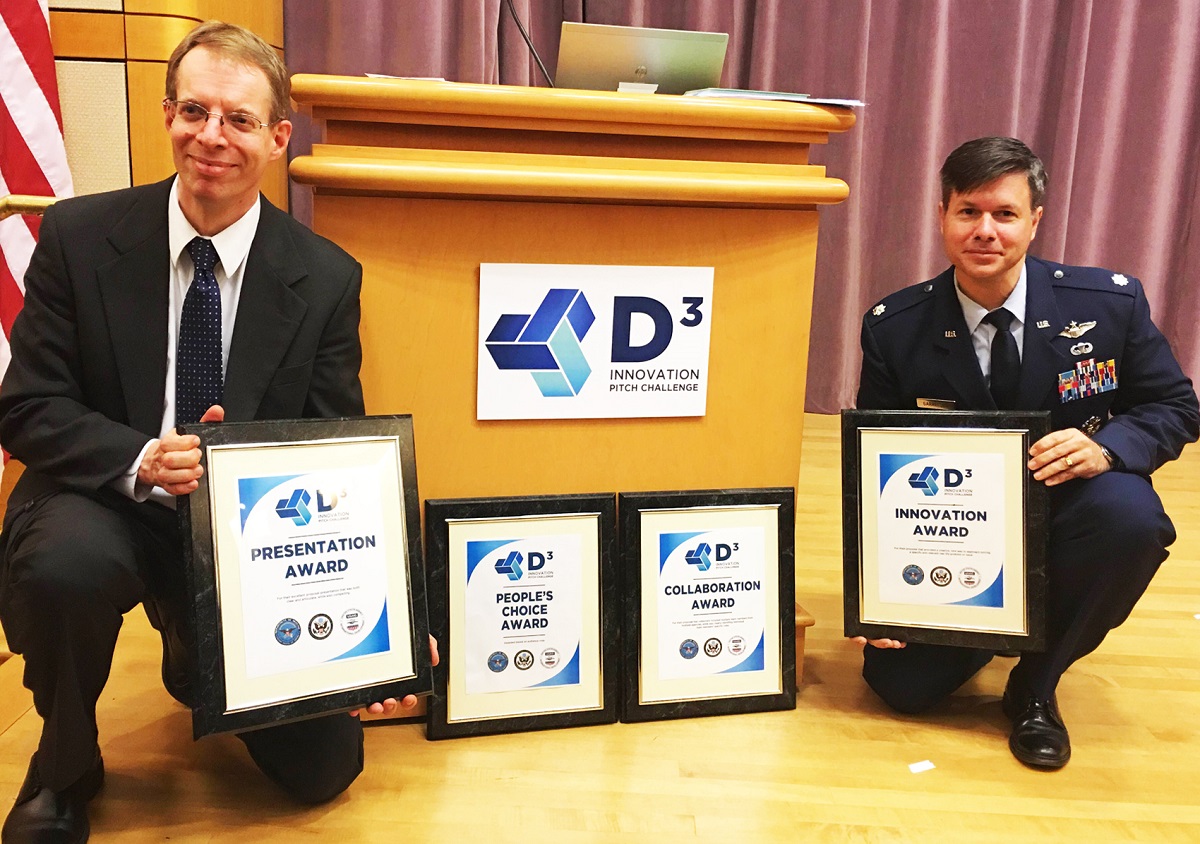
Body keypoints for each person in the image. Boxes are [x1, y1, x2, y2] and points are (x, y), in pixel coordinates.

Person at [0, 21, 433, 843]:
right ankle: (61, 764)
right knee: (65, 566)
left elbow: (336, 443)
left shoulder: (327, 275)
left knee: (323, 771)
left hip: (247, 535)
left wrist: (387, 617)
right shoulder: (78, 237)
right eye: (193, 111)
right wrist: (140, 457)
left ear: (276, 138)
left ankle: (191, 643)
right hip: (107, 496)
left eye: (237, 119)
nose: (211, 136)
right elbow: (27, 405)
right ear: (167, 115)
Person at [853, 136, 1199, 770]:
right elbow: (874, 467)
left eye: (1005, 214)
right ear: (942, 215)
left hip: (1069, 509)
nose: (986, 231)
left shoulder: (1108, 306)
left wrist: (1107, 447)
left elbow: (1176, 407)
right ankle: (992, 626)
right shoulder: (894, 327)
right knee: (902, 690)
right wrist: (880, 598)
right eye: (968, 212)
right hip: (949, 528)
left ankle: (1037, 683)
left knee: (1131, 519)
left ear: (1035, 220)